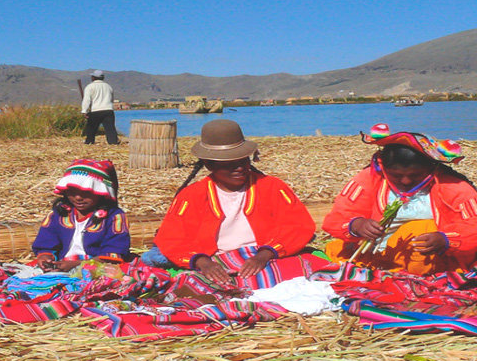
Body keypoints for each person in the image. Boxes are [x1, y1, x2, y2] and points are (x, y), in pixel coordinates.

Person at [152, 119, 326, 289]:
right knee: (194, 286)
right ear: (209, 165)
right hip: (217, 260)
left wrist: (263, 256)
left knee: (316, 270)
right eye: (230, 164)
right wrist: (203, 263)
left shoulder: (272, 187)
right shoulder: (192, 196)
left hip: (267, 257)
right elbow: (171, 238)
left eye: (243, 161)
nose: (240, 168)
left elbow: (299, 227)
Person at [322, 124, 477, 275]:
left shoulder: (453, 186)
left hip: (431, 255)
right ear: (383, 167)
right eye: (396, 175)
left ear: (432, 168)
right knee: (336, 249)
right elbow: (336, 219)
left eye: (415, 175)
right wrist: (357, 225)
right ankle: (386, 268)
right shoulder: (369, 179)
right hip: (378, 252)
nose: (405, 181)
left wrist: (445, 240)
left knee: (419, 230)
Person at [32, 159, 130, 271]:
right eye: (72, 192)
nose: (78, 198)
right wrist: (46, 258)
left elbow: (113, 253)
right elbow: (46, 243)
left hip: (96, 268)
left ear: (101, 192)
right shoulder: (58, 214)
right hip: (60, 264)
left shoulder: (114, 217)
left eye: (87, 192)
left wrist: (75, 265)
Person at [80, 70, 119, 145]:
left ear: (93, 77)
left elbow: (87, 100)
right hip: (108, 110)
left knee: (91, 128)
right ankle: (113, 142)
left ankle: (89, 142)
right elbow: (111, 99)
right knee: (110, 128)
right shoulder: (108, 87)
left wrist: (84, 110)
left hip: (96, 111)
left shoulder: (90, 86)